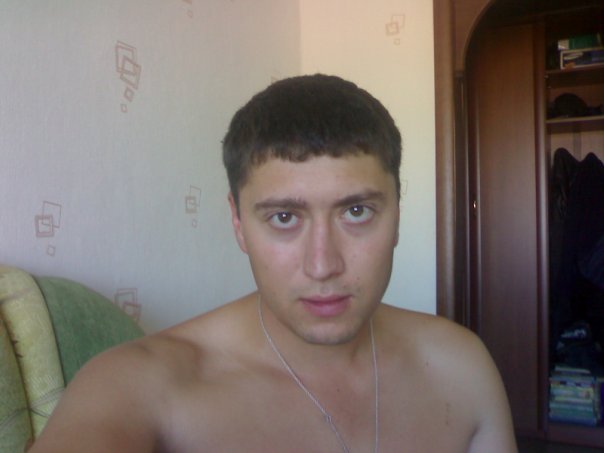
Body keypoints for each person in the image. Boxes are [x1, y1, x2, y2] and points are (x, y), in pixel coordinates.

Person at [29, 74, 517, 452]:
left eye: (356, 211)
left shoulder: (462, 368)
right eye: (284, 217)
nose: (323, 265)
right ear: (238, 223)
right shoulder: (139, 386)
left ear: (397, 214)